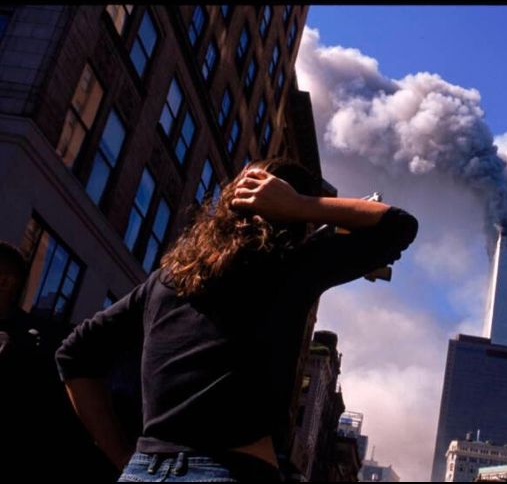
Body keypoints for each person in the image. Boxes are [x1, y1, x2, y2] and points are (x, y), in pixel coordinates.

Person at [55, 159, 419, 482]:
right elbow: (398, 226)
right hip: (230, 470)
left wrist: (123, 459)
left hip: (143, 471)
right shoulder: (289, 266)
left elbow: (73, 354)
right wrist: (302, 205)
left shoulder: (166, 280)